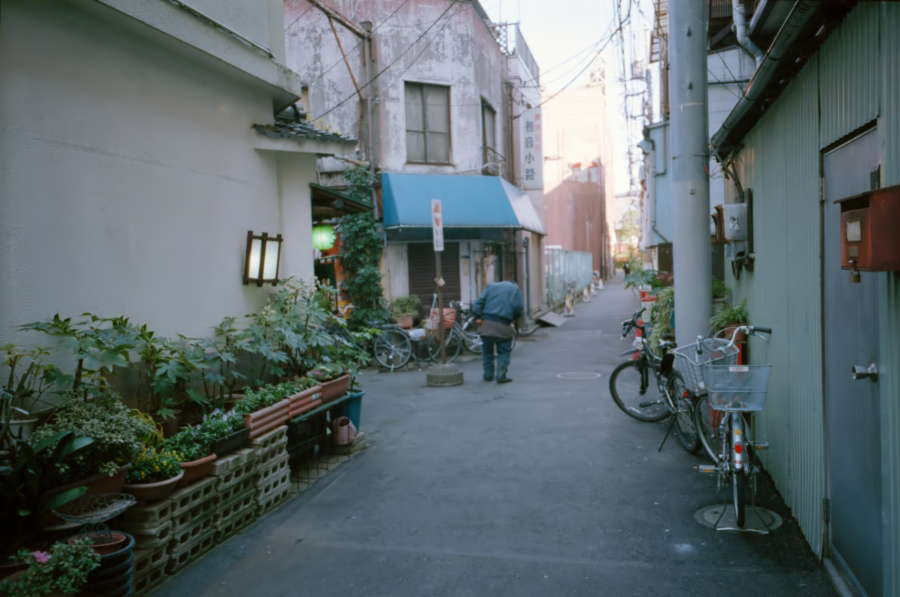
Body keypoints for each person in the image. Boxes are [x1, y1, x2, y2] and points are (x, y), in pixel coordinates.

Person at [472, 280, 523, 384]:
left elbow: (478, 303)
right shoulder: (515, 289)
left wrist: (479, 316)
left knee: (487, 352)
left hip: (486, 325)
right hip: (503, 325)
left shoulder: (491, 287)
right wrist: (512, 318)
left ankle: (488, 375)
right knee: (503, 352)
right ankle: (501, 375)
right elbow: (518, 308)